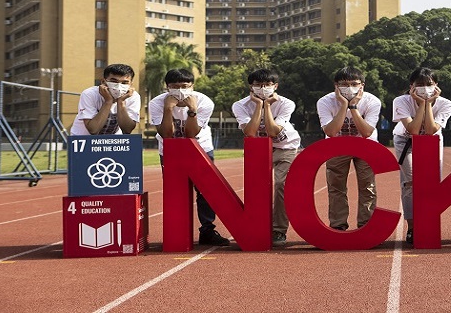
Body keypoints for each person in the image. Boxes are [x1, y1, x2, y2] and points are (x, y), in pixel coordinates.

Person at [149, 68, 229, 246]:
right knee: (176, 190)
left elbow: (191, 134)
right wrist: (168, 110)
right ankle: (177, 231)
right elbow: (167, 135)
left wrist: (192, 109)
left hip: (201, 148)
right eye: (174, 86)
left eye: (185, 86)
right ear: (167, 87)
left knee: (206, 191)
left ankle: (207, 230)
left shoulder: (204, 102)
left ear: (192, 86)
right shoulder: (156, 103)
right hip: (169, 151)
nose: (180, 91)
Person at [232, 68, 301, 247]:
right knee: (257, 187)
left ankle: (278, 230)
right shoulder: (240, 105)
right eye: (258, 85)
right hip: (258, 148)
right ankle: (257, 226)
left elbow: (272, 131)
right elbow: (250, 132)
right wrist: (258, 106)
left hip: (285, 146)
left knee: (280, 185)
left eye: (267, 85)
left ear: (275, 86)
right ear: (251, 87)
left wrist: (267, 106)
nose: (263, 89)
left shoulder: (287, 104)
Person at [392, 67, 451, 244]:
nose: (425, 88)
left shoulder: (446, 104)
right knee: (411, 182)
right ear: (411, 86)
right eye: (420, 85)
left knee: (432, 183)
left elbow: (429, 131)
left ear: (436, 86)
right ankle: (412, 227)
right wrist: (422, 103)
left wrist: (427, 103)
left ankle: (428, 223)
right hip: (406, 142)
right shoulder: (401, 101)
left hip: (432, 142)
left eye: (429, 84)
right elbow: (412, 130)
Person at [316, 67, 382, 231]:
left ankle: (366, 225)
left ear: (362, 86)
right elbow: (331, 132)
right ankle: (338, 225)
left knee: (368, 187)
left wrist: (353, 107)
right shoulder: (325, 102)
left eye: (354, 84)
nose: (350, 87)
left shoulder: (372, 101)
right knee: (336, 187)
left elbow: (366, 132)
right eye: (344, 84)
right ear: (336, 86)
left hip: (365, 145)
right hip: (336, 146)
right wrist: (344, 105)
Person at [70, 64, 140, 135]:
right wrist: (108, 101)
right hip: (83, 139)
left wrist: (121, 102)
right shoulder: (89, 94)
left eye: (124, 83)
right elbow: (93, 130)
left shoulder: (133, 97)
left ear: (131, 84)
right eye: (114, 81)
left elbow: (127, 130)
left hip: (112, 142)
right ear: (103, 82)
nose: (119, 86)